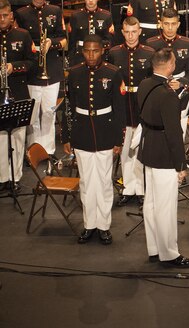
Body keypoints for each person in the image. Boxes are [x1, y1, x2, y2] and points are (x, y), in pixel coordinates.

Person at [63, 35, 125, 245]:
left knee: (105, 182)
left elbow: (119, 109)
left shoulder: (113, 73)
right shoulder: (73, 73)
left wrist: (118, 139)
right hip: (81, 133)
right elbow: (68, 107)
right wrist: (66, 135)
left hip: (106, 131)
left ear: (102, 51)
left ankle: (104, 226)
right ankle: (89, 225)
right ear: (82, 51)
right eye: (87, 51)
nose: (91, 55)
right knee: (87, 183)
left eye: (95, 51)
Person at [137, 48, 189, 267]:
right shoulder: (167, 94)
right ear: (170, 66)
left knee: (151, 203)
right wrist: (180, 164)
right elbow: (173, 133)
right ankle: (169, 253)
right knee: (166, 207)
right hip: (164, 155)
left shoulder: (144, 85)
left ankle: (154, 248)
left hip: (148, 148)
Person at [15, 0, 67, 156]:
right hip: (32, 68)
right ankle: (33, 151)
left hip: (51, 66)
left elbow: (63, 38)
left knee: (49, 112)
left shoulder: (55, 10)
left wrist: (51, 43)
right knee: (33, 114)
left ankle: (49, 150)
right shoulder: (21, 13)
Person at [108, 17, 155, 206]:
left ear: (140, 31)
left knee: (142, 150)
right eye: (127, 32)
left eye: (134, 31)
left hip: (142, 104)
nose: (130, 36)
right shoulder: (114, 53)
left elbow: (152, 82)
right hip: (122, 105)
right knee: (125, 149)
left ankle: (142, 189)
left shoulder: (149, 52)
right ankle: (128, 188)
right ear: (122, 32)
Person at [146, 8, 189, 137]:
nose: (170, 28)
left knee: (178, 136)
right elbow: (148, 73)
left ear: (178, 24)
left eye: (173, 24)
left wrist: (181, 83)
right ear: (160, 24)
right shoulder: (151, 44)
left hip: (180, 95)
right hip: (157, 95)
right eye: (166, 24)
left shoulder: (187, 43)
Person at [0, 0, 35, 191]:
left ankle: (15, 178)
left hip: (18, 91)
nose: (2, 19)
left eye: (5, 15)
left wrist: (15, 67)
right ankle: (2, 178)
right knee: (0, 138)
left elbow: (32, 62)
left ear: (11, 16)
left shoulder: (23, 35)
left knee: (18, 136)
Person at [67, 0, 114, 67]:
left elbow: (109, 40)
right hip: (80, 56)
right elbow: (72, 42)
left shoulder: (106, 15)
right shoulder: (76, 16)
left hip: (100, 56)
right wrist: (71, 60)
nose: (91, 0)